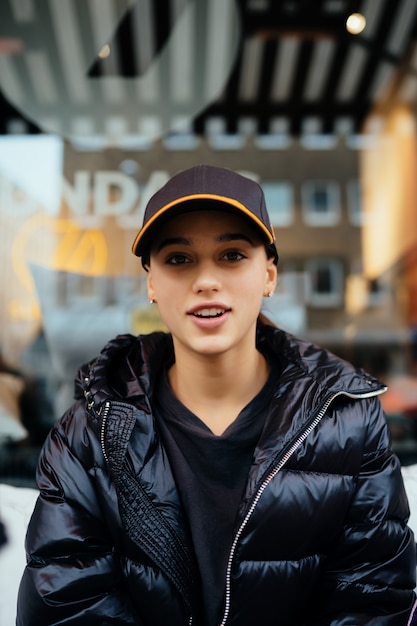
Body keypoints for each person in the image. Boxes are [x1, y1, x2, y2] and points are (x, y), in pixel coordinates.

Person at [17, 164, 416, 625]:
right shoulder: (87, 432)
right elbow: (64, 606)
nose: (206, 280)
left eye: (231, 255)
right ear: (151, 282)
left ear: (269, 274)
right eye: (178, 259)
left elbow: (373, 602)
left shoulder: (347, 423)